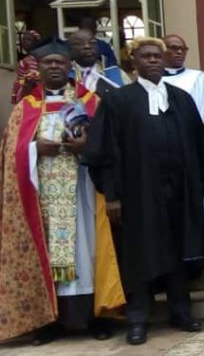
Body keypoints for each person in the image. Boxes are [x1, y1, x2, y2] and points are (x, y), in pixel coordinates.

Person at [83, 37, 204, 345]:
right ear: (133, 62)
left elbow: (198, 145)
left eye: (157, 56)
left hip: (178, 191)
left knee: (179, 252)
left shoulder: (181, 99)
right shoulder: (118, 101)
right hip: (138, 192)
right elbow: (104, 152)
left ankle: (181, 311)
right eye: (145, 56)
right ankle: (138, 319)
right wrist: (111, 195)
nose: (153, 61)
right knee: (140, 255)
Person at [0, 41, 124, 344]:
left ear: (70, 66)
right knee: (50, 253)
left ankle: (97, 316)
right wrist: (34, 148)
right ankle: (48, 321)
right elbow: (9, 152)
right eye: (48, 63)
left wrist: (87, 147)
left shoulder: (92, 101)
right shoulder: (24, 109)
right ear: (38, 69)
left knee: (89, 251)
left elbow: (112, 143)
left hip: (84, 191)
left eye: (60, 62)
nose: (54, 67)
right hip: (42, 196)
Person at [162, 34, 204, 120]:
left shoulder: (199, 78)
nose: (180, 52)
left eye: (183, 49)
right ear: (161, 50)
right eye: (174, 48)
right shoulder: (153, 81)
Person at [67, 29, 131, 97]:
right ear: (70, 50)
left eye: (92, 42)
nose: (87, 46)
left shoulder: (117, 73)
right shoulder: (65, 77)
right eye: (79, 43)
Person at [11, 30, 42, 104]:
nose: (24, 42)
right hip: (25, 94)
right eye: (23, 39)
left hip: (35, 94)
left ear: (36, 42)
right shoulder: (25, 60)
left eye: (28, 39)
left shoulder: (39, 59)